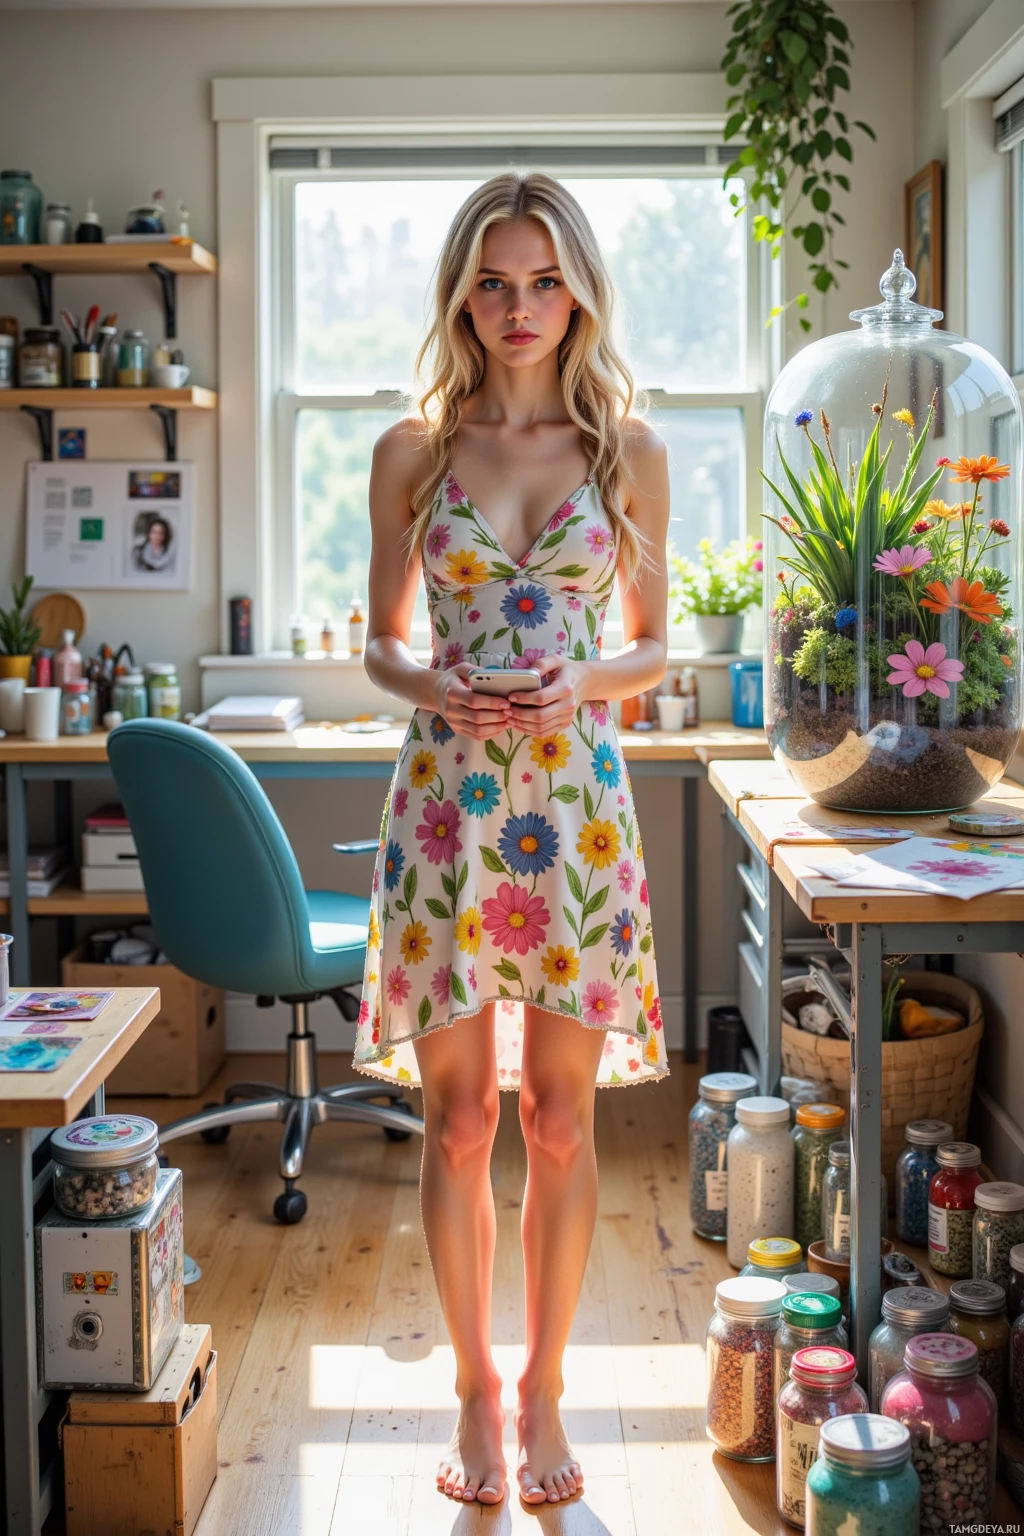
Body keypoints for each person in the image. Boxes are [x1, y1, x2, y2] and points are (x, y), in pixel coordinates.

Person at [354, 172, 670, 1508]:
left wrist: (584, 684)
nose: (519, 308)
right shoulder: (412, 451)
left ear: (580, 289)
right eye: (494, 281)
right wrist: (434, 685)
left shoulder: (627, 450)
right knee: (460, 1114)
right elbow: (376, 643)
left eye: (545, 281)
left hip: (578, 817)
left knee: (554, 1119)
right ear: (461, 293)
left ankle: (545, 1387)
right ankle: (475, 1396)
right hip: (446, 812)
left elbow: (656, 647)